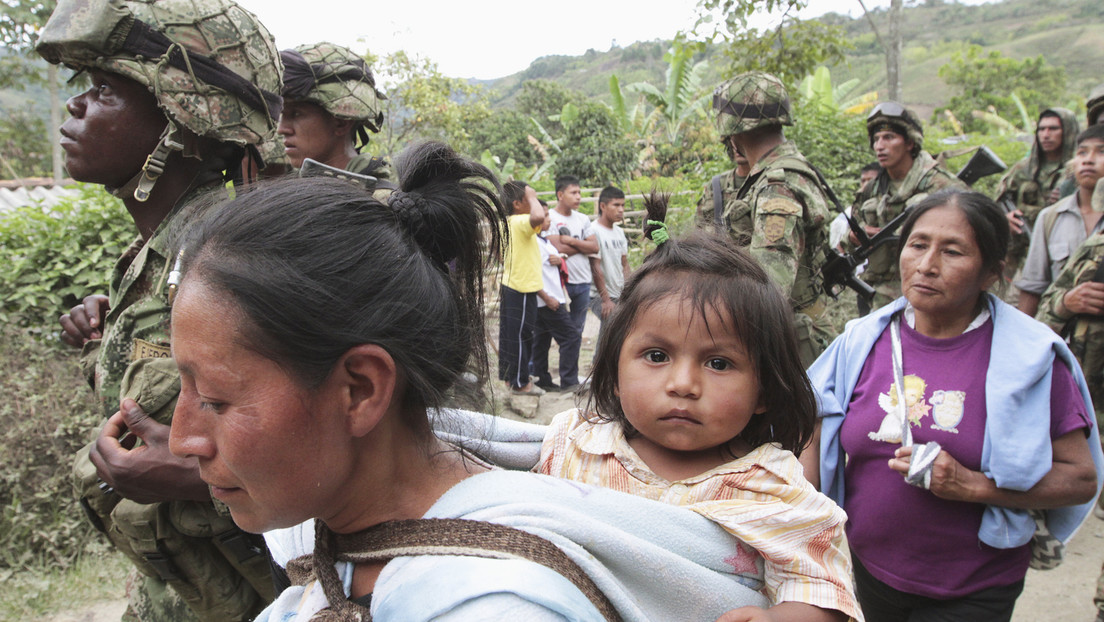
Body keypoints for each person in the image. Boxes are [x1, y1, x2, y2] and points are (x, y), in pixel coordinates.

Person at [166, 142, 788, 621]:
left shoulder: (495, 602)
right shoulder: (327, 536)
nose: (181, 438)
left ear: (360, 390)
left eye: (215, 399)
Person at [43, 0, 282, 619]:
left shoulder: (231, 258)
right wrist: (105, 339)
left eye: (105, 91)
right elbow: (160, 380)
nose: (77, 106)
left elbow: (318, 443)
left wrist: (200, 476)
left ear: (185, 120)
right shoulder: (160, 250)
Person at [539, 198, 860, 622]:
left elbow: (825, 591)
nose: (683, 385)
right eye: (656, 355)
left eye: (719, 363)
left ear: (763, 389)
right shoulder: (575, 443)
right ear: (614, 372)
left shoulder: (775, 488)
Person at [805, 188, 1103, 622]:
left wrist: (974, 486)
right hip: (868, 569)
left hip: (974, 586)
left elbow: (1080, 480)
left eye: (953, 252)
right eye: (918, 245)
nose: (927, 265)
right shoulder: (862, 341)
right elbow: (813, 419)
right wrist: (808, 522)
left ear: (990, 273)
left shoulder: (1031, 358)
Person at [704, 71, 835, 367]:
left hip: (792, 342)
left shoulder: (778, 184)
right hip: (792, 332)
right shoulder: (784, 171)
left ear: (731, 131)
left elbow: (769, 283)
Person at [852, 102, 966, 309]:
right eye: (876, 139)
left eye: (889, 137)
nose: (879, 145)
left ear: (910, 143)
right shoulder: (872, 190)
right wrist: (856, 236)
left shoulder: (941, 186)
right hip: (879, 297)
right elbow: (851, 235)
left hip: (931, 296)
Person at [1016, 124, 1104, 316]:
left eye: (1101, 152)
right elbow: (1032, 288)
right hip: (1064, 339)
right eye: (1082, 153)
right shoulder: (1050, 217)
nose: (1088, 160)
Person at [278, 42, 389, 178]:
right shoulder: (296, 193)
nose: (282, 129)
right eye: (282, 114)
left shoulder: (378, 198)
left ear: (341, 122)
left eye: (296, 113)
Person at [995, 108, 1080, 282]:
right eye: (1041, 129)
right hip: (1021, 255)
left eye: (1053, 129)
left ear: (1068, 131)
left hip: (1066, 253)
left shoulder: (1079, 169)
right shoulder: (1023, 169)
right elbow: (996, 202)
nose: (1046, 135)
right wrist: (1005, 218)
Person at [546, 174, 597, 391]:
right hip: (558, 284)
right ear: (560, 194)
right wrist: (581, 245)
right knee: (552, 332)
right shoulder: (548, 217)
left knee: (576, 332)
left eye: (579, 192)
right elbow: (554, 248)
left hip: (583, 282)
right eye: (573, 192)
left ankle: (569, 379)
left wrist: (569, 241)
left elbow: (594, 247)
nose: (579, 197)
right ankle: (541, 375)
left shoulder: (583, 219)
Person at [498, 180, 546, 395]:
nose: (533, 202)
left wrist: (530, 196)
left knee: (511, 335)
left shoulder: (506, 222)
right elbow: (538, 217)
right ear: (517, 204)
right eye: (528, 200)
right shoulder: (519, 222)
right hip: (522, 287)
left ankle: (511, 377)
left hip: (511, 284)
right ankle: (520, 383)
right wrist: (533, 195)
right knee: (522, 336)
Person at [531, 209, 578, 392]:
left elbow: (549, 262)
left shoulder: (543, 240)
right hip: (548, 300)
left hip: (548, 299)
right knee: (571, 337)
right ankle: (569, 382)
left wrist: (560, 259)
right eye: (545, 215)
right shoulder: (533, 242)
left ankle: (542, 379)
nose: (549, 219)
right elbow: (530, 272)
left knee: (541, 341)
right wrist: (546, 297)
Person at [589, 185, 630, 329]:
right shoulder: (593, 230)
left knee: (615, 334)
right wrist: (605, 300)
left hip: (618, 294)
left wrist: (628, 290)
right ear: (603, 206)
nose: (621, 210)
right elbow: (595, 266)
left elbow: (624, 264)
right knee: (613, 327)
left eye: (623, 205)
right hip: (599, 296)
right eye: (616, 205)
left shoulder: (619, 232)